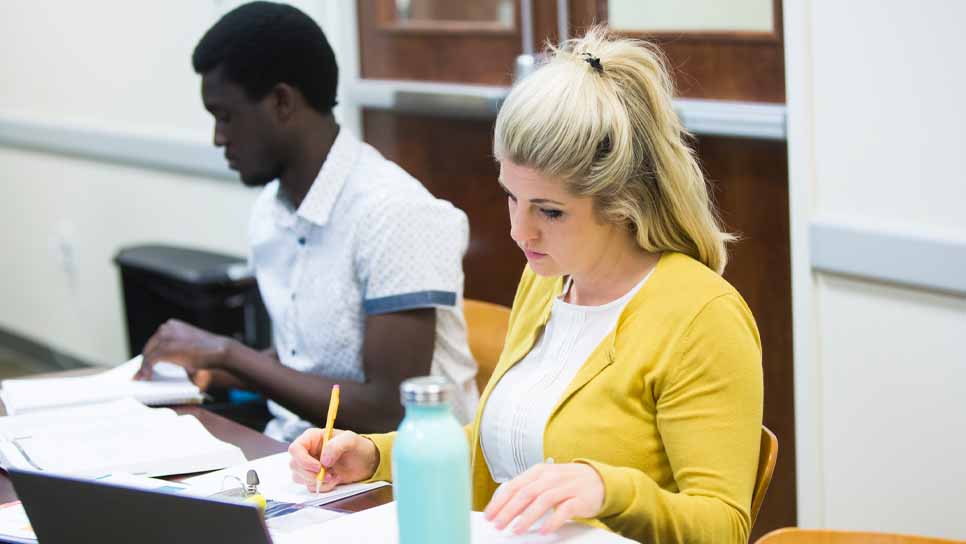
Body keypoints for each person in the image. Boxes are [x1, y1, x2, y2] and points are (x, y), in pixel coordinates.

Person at [288, 27, 763, 543]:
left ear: (623, 203)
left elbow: (723, 527)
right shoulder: (548, 281)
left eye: (551, 211)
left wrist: (608, 489)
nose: (520, 231)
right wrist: (378, 456)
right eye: (512, 198)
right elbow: (503, 449)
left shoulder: (701, 315)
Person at [134, 2, 478, 440]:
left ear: (281, 101)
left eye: (226, 116)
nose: (219, 138)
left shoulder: (394, 211)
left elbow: (388, 409)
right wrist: (208, 369)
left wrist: (226, 354)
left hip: (395, 473)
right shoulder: (271, 210)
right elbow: (303, 364)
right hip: (299, 452)